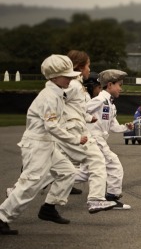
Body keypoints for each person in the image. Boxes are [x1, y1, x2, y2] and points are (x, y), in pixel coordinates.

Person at [0, 55, 85, 235]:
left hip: (46, 143)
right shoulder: (49, 97)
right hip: (37, 144)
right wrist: (75, 140)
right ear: (53, 77)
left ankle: (49, 208)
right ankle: (2, 217)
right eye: (66, 76)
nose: (70, 79)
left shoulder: (57, 92)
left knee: (67, 172)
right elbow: (52, 126)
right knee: (30, 183)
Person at [54, 50, 116, 214]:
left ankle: (18, 189)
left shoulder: (76, 85)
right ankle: (96, 199)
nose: (90, 69)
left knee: (57, 169)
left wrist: (88, 118)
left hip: (75, 130)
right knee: (97, 161)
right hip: (73, 132)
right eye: (88, 66)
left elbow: (75, 108)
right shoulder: (73, 86)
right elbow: (57, 102)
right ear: (80, 67)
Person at [82, 69, 134, 209]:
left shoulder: (111, 104)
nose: (121, 89)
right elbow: (80, 111)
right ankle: (112, 197)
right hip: (94, 139)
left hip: (99, 139)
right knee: (114, 164)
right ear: (110, 85)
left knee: (86, 172)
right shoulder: (99, 100)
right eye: (119, 85)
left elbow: (114, 127)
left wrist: (126, 127)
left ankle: (53, 176)